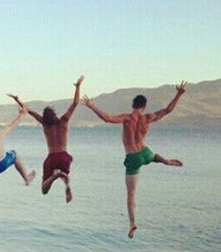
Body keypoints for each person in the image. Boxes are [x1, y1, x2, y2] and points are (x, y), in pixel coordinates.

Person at [83, 81, 187, 238]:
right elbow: (167, 110)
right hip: (145, 152)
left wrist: (92, 106)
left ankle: (132, 223)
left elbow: (108, 118)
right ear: (144, 106)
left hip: (133, 158)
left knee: (131, 194)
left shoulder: (127, 118)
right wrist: (179, 94)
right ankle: (164, 160)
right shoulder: (148, 118)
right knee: (151, 157)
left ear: (133, 104)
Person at [12, 75, 84, 203]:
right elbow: (75, 103)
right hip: (63, 155)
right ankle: (65, 183)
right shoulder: (64, 121)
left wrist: (18, 100)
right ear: (55, 114)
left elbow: (28, 111)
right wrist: (78, 87)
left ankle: (54, 177)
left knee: (44, 190)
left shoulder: (44, 124)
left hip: (51, 157)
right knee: (65, 175)